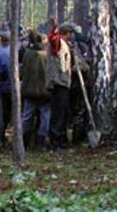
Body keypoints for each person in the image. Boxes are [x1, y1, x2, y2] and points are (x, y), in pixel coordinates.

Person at [20, 31, 51, 150]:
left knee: (27, 117)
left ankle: (24, 142)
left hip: (29, 90)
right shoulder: (47, 56)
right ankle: (40, 142)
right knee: (45, 116)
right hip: (44, 91)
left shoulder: (27, 54)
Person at [47, 21, 74, 150]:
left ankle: (61, 139)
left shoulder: (65, 45)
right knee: (58, 114)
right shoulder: (58, 43)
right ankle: (55, 141)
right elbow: (52, 39)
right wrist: (54, 28)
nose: (72, 35)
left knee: (62, 113)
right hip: (59, 83)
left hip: (63, 83)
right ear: (66, 33)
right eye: (70, 33)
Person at [0, 31, 13, 149]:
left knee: (0, 115)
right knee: (11, 114)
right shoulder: (14, 52)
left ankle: (0, 138)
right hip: (12, 88)